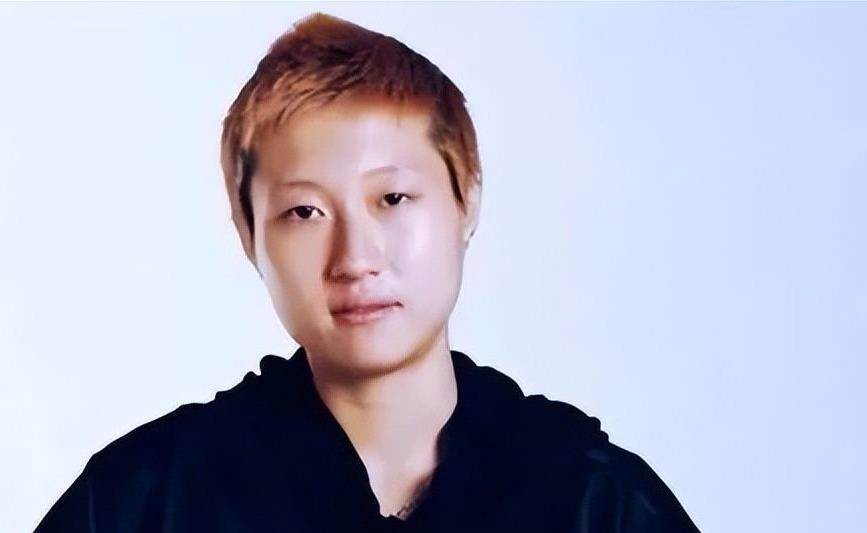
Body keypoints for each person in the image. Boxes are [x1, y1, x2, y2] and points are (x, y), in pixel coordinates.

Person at [34, 12, 700, 533]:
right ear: (246, 231)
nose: (355, 257)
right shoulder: (141, 501)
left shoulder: (594, 502)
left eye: (393, 198)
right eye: (304, 211)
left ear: (466, 198)